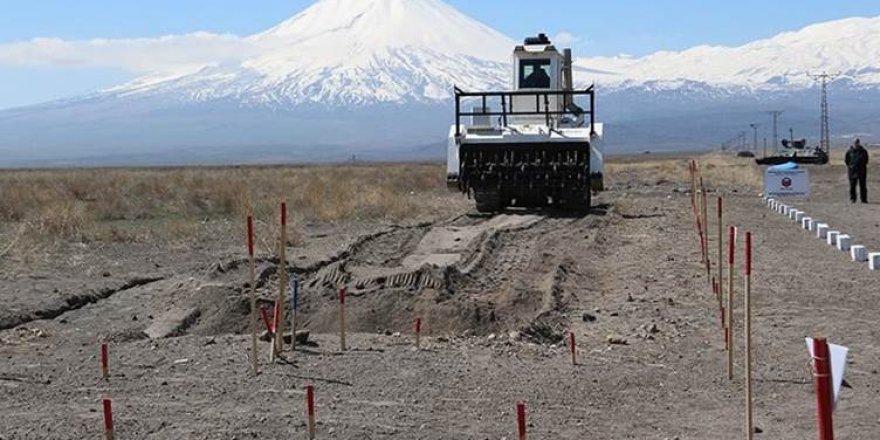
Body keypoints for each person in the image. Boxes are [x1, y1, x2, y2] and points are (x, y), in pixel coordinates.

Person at [845, 138, 869, 203]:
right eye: (855, 142)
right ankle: (853, 199)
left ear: (859, 143)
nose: (856, 143)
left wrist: (861, 166)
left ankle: (864, 199)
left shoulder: (863, 151)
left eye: (857, 142)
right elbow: (847, 161)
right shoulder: (849, 151)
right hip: (852, 171)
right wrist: (851, 166)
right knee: (852, 185)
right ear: (853, 143)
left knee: (863, 186)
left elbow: (866, 160)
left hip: (862, 171)